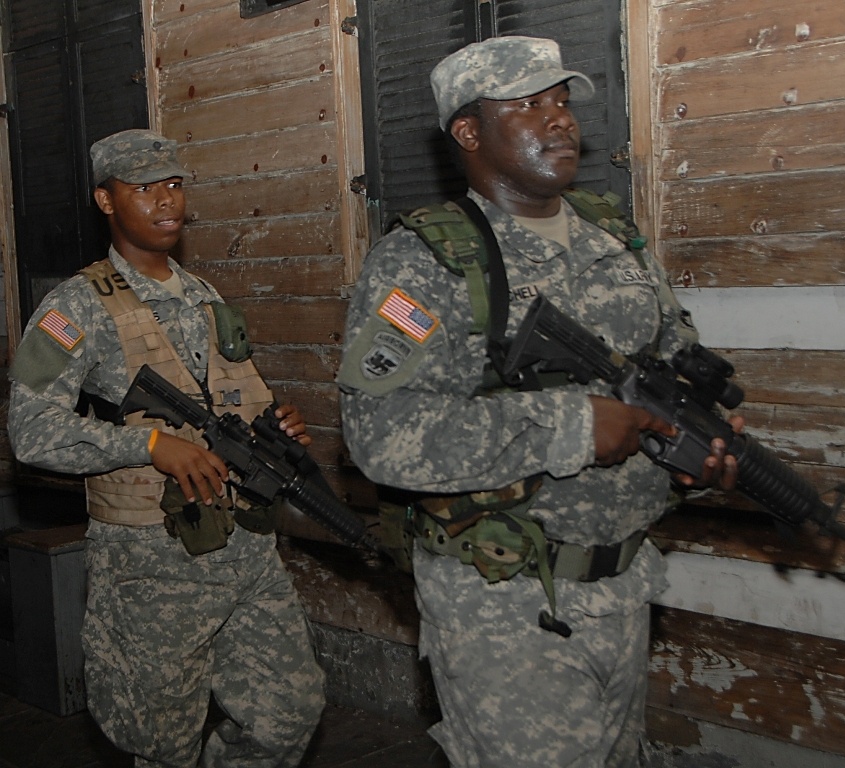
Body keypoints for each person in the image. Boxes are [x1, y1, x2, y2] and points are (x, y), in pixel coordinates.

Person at [336, 36, 742, 767]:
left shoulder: (614, 237)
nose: (558, 120)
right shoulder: (423, 260)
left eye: (561, 101)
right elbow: (378, 433)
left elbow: (673, 359)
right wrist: (570, 426)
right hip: (503, 603)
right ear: (467, 132)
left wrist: (698, 444)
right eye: (526, 105)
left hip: (622, 584)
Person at [7, 129, 326, 768]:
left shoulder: (205, 297)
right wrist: (146, 444)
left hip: (244, 551)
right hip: (151, 563)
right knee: (160, 743)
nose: (165, 201)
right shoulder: (76, 306)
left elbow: (226, 405)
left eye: (174, 184)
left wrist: (274, 424)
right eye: (143, 187)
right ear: (105, 199)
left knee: (288, 715)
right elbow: (31, 430)